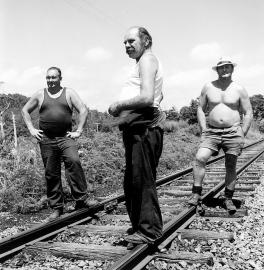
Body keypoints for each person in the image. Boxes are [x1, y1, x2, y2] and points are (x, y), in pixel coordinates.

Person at [108, 26, 166, 246]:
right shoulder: (145, 62)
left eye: (131, 41)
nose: (127, 46)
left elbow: (147, 97)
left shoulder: (147, 60)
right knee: (133, 180)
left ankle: (149, 231)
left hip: (144, 127)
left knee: (142, 180)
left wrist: (118, 105)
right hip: (139, 126)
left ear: (147, 41)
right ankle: (141, 226)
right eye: (124, 43)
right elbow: (159, 94)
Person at [22, 67, 96, 222]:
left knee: (74, 162)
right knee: (51, 173)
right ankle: (57, 208)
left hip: (65, 137)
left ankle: (82, 199)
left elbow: (83, 110)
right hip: (47, 139)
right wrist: (31, 128)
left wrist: (79, 130)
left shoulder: (68, 93)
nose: (50, 80)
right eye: (48, 78)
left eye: (53, 78)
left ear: (60, 78)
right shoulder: (40, 94)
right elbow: (25, 110)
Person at [188, 58, 253, 214]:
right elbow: (200, 109)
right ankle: (196, 193)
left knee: (230, 165)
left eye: (227, 67)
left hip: (233, 131)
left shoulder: (239, 89)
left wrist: (242, 132)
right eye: (221, 68)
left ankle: (228, 198)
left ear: (232, 69)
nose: (225, 70)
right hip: (212, 132)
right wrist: (204, 129)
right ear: (217, 70)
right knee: (200, 158)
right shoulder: (208, 87)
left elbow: (248, 112)